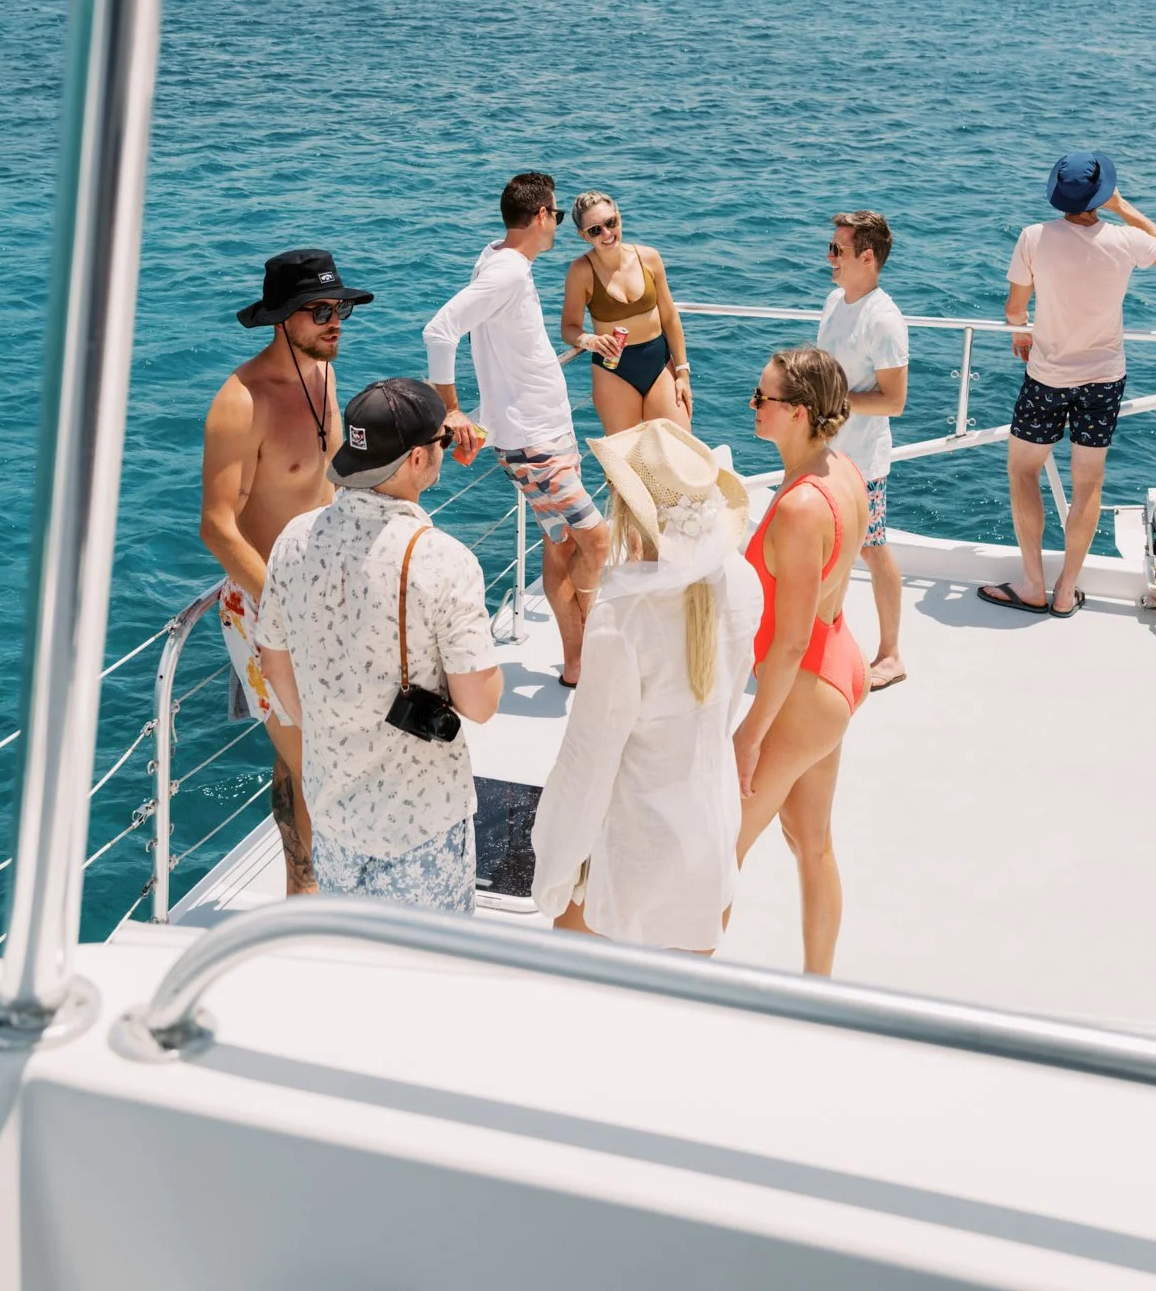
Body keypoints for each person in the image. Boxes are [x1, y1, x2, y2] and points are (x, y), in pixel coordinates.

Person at [254, 378, 503, 914]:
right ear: (416, 459)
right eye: (440, 442)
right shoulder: (444, 560)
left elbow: (273, 660)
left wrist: (329, 722)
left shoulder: (294, 538)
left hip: (333, 810)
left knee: (358, 970)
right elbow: (480, 704)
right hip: (422, 824)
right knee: (430, 975)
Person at [530, 421, 762, 954]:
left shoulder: (623, 619)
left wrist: (554, 871)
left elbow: (588, 763)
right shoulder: (743, 583)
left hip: (636, 851)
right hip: (709, 835)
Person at [199, 247, 373, 893]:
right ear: (282, 319)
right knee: (314, 762)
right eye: (319, 311)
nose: (336, 322)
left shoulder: (323, 373)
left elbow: (327, 482)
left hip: (322, 589)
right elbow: (216, 524)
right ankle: (311, 898)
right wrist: (287, 602)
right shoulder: (240, 403)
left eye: (340, 309)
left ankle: (304, 889)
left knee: (303, 753)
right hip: (262, 604)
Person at [424, 172, 609, 687]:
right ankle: (596, 638)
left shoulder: (498, 260)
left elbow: (502, 351)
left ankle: (576, 666)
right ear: (543, 215)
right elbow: (439, 331)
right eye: (555, 214)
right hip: (535, 442)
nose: (559, 225)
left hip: (542, 431)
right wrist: (453, 411)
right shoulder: (506, 272)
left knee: (561, 545)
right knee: (597, 541)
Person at [980, 152, 1156, 620]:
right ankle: (1067, 591)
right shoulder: (1126, 241)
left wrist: (1023, 332)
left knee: (1023, 472)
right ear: (1100, 194)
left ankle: (1033, 585)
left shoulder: (1033, 238)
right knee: (1088, 485)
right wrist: (1123, 206)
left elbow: (1014, 309)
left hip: (1047, 375)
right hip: (1104, 378)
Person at [734, 347, 869, 978]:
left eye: (763, 398)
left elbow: (787, 644)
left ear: (800, 412)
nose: (754, 406)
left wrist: (750, 733)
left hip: (805, 687)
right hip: (840, 661)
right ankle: (820, 988)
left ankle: (682, 994)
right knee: (811, 845)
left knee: (719, 851)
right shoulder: (843, 470)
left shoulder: (798, 506)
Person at [816, 210, 910, 691]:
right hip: (823, 454)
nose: (828, 256)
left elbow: (894, 401)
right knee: (822, 550)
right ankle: (822, 641)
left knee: (871, 550)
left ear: (867, 257)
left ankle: (891, 655)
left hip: (860, 464)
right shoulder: (835, 300)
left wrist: (831, 402)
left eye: (838, 250)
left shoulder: (885, 320)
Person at [560, 190, 693, 430]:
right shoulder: (581, 272)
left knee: (678, 447)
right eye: (595, 230)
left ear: (619, 218)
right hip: (613, 372)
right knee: (624, 457)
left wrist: (683, 372)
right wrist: (590, 340)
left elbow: (670, 317)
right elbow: (569, 328)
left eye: (611, 223)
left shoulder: (649, 258)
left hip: (660, 364)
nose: (607, 233)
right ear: (583, 236)